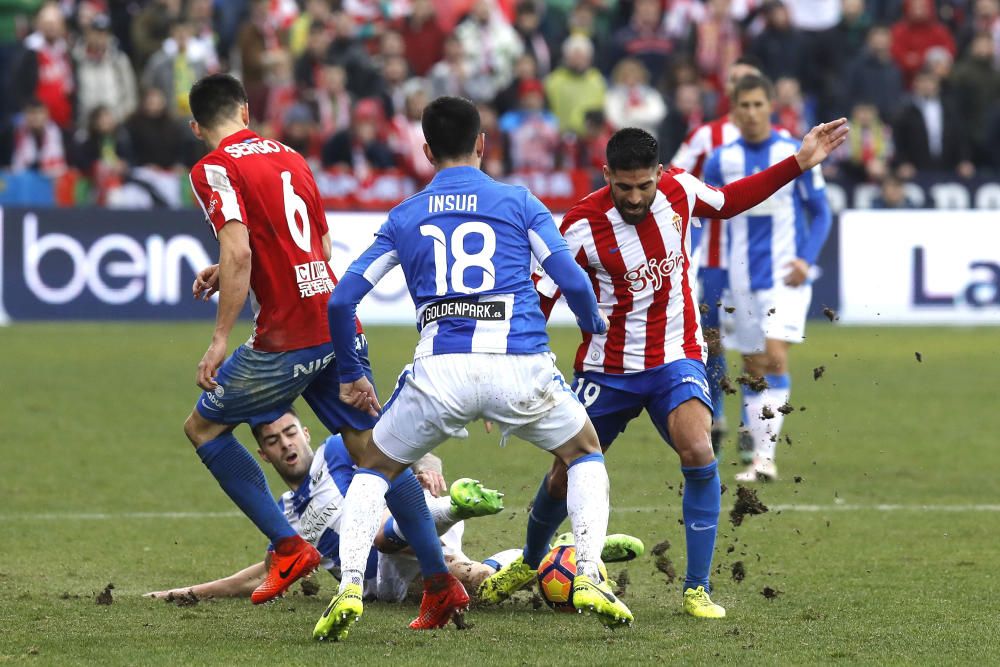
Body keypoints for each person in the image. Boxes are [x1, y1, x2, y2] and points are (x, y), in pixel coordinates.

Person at [480, 116, 847, 618]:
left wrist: (798, 164)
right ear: (607, 173)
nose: (635, 197)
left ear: (658, 173)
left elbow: (733, 200)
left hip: (676, 354)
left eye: (644, 185)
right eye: (624, 186)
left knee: (698, 449)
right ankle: (528, 561)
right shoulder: (579, 225)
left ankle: (696, 588)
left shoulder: (681, 190)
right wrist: (508, 371)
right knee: (564, 474)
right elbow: (538, 298)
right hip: (605, 369)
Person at [314, 95, 632, 642]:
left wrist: (351, 372)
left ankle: (347, 588)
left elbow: (341, 301)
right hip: (521, 365)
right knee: (582, 451)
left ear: (426, 151)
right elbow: (574, 282)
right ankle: (587, 574)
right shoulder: (519, 202)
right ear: (483, 145)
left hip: (440, 373)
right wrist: (593, 326)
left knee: (373, 469)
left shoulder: (405, 215)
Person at [181, 74, 456, 620]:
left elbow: (239, 252)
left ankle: (288, 549)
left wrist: (218, 340)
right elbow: (318, 245)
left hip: (288, 337)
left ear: (196, 126)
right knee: (373, 453)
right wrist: (235, 269)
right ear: (246, 108)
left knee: (204, 427)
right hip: (337, 323)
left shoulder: (214, 166)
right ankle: (440, 581)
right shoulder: (290, 156)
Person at [148, 409, 505, 602]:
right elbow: (259, 576)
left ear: (304, 434)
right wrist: (182, 593)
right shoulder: (282, 515)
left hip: (410, 521)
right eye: (273, 441)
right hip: (387, 584)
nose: (285, 445)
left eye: (289, 433)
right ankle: (537, 560)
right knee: (480, 584)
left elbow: (402, 447)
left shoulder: (336, 449)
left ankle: (454, 508)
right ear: (264, 456)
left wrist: (427, 467)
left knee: (375, 530)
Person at [702, 74, 834, 482]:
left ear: (770, 107)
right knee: (754, 364)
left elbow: (821, 211)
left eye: (759, 104)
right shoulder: (719, 160)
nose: (752, 112)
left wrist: (806, 260)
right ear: (734, 112)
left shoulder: (793, 152)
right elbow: (699, 215)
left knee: (774, 354)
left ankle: (764, 458)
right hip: (740, 275)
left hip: (784, 275)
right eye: (745, 106)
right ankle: (756, 448)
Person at [669, 58, 765, 457]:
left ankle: (751, 422)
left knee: (755, 343)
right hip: (712, 256)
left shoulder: (774, 138)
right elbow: (671, 175)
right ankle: (719, 415)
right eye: (737, 81)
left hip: (755, 258)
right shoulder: (706, 137)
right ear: (729, 90)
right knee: (710, 340)